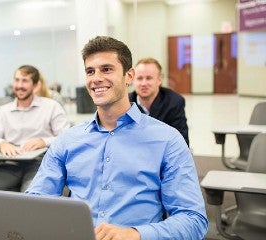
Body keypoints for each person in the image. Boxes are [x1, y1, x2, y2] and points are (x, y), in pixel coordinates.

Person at [26, 36, 208, 239]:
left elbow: (194, 220)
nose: (96, 78)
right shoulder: (68, 140)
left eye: (106, 69)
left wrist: (136, 234)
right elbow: (35, 202)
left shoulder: (167, 141)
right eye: (90, 71)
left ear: (129, 76)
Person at [0, 65, 69, 192]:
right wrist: (2, 144)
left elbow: (66, 136)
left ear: (35, 85)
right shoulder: (4, 110)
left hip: (41, 163)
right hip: (11, 164)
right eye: (17, 80)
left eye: (25, 81)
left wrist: (43, 142)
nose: (19, 85)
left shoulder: (51, 107)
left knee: (31, 198)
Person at [128, 57, 189, 146]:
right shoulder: (125, 103)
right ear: (133, 80)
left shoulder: (174, 102)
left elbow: (181, 141)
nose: (143, 83)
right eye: (139, 78)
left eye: (149, 78)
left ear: (159, 79)